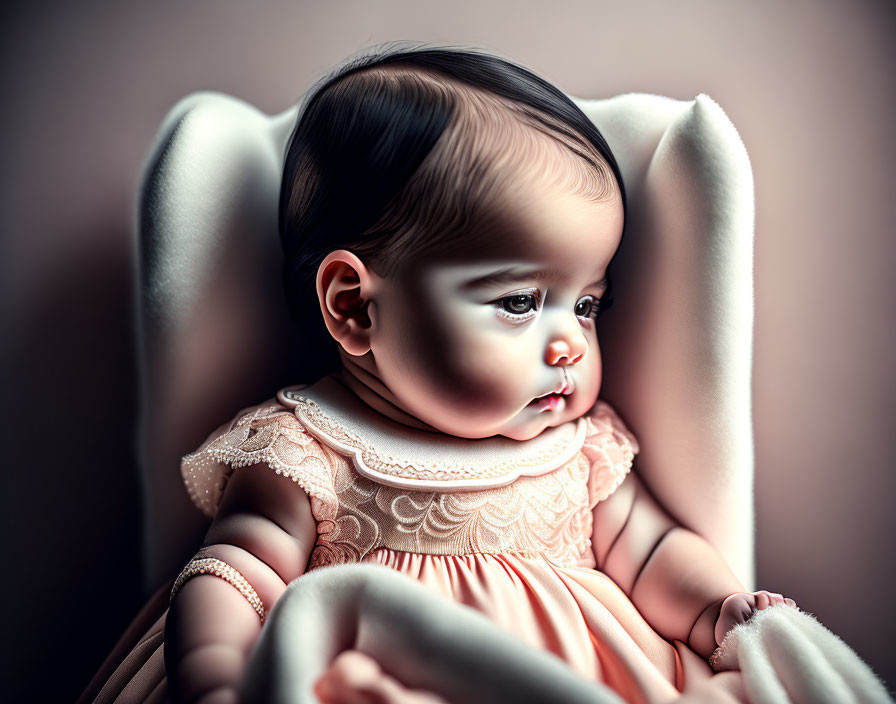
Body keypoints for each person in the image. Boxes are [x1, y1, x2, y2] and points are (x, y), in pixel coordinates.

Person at [87, 43, 797, 704]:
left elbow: (653, 553)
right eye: (520, 302)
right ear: (355, 308)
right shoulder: (307, 452)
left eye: (586, 305)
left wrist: (718, 610)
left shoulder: (580, 451)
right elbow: (232, 576)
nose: (570, 346)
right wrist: (216, 675)